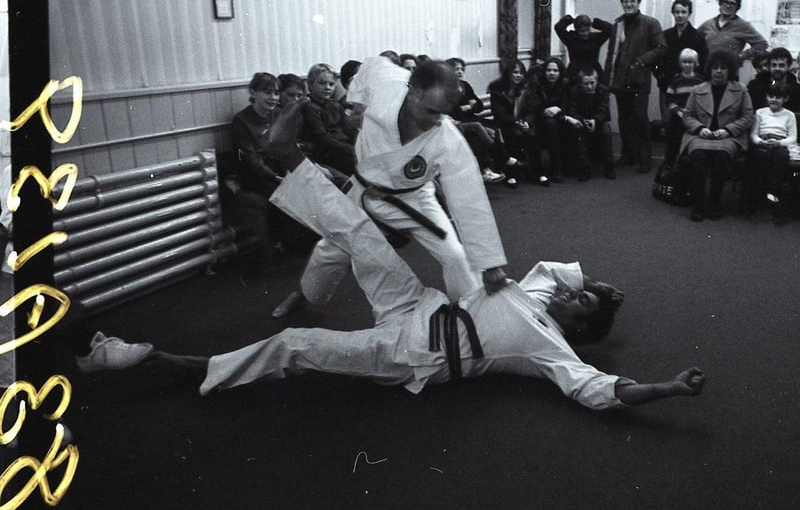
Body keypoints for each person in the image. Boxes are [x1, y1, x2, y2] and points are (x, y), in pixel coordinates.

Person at [76, 109, 706, 409]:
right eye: (576, 293)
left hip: (416, 354)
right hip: (420, 303)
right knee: (361, 234)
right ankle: (287, 158)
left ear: (577, 325)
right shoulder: (541, 293)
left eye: (580, 303)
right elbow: (562, 271)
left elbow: (603, 389)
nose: (571, 294)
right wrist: (597, 284)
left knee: (296, 343)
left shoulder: (553, 349)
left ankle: (160, 360)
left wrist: (666, 387)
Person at [271, 57, 509, 319]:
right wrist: (356, 105)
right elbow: (372, 64)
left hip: (415, 198)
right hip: (364, 190)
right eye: (431, 111)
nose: (437, 120)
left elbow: (469, 199)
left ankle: (473, 316)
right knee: (332, 249)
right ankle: (305, 295)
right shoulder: (387, 82)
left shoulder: (447, 139)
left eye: (443, 112)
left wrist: (490, 264)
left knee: (454, 255)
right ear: (413, 91)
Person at [225, 72, 290, 273]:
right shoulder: (241, 121)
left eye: (277, 93)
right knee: (287, 197)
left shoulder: (278, 114)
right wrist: (278, 178)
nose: (273, 98)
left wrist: (290, 170)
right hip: (255, 177)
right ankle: (270, 257)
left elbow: (286, 147)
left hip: (278, 172)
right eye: (267, 92)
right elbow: (250, 161)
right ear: (253, 92)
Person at [680, 50, 754, 222]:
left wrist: (728, 130)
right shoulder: (697, 89)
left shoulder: (741, 90)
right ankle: (698, 204)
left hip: (728, 137)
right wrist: (699, 128)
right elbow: (687, 115)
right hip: (701, 135)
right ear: (709, 69)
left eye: (723, 68)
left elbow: (748, 116)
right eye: (715, 67)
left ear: (730, 70)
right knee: (698, 157)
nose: (719, 71)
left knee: (721, 158)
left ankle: (714, 202)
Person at [603, 0, 667, 174]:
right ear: (622, 3)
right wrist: (608, 80)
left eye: (632, 1)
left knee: (640, 119)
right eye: (625, 1)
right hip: (620, 81)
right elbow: (611, 54)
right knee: (623, 119)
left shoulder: (650, 23)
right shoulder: (618, 24)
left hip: (639, 80)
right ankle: (627, 155)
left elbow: (662, 47)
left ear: (638, 2)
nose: (629, 4)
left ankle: (645, 160)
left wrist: (641, 61)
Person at [445, 56, 507, 184]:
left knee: (494, 129)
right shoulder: (446, 89)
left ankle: (496, 168)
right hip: (457, 123)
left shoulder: (465, 85)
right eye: (456, 69)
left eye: (462, 69)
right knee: (476, 133)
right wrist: (469, 106)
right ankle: (497, 163)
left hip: (470, 118)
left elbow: (479, 106)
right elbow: (452, 112)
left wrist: (469, 107)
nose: (460, 71)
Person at [745, 82, 800, 210]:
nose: (774, 99)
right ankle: (759, 191)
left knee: (781, 156)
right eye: (771, 96)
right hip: (763, 141)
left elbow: (793, 137)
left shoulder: (789, 115)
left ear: (785, 99)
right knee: (761, 155)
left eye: (778, 97)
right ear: (766, 97)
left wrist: (779, 143)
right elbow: (753, 134)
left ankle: (772, 190)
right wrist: (760, 141)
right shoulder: (760, 112)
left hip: (780, 142)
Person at [655, 0, 708, 127]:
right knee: (668, 122)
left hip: (690, 86)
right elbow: (656, 58)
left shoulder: (698, 37)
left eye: (683, 12)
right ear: (672, 13)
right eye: (677, 12)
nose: (680, 15)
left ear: (689, 14)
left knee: (689, 122)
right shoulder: (665, 35)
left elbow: (704, 62)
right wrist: (660, 77)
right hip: (667, 85)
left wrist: (696, 80)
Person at [299, 63, 358, 175]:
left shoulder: (336, 106)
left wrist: (362, 144)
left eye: (331, 84)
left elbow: (351, 131)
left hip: (345, 149)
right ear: (310, 85)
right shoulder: (308, 107)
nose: (327, 87)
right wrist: (352, 150)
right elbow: (323, 139)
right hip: (328, 152)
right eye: (322, 83)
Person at [519, 57, 570, 183]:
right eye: (549, 70)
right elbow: (533, 107)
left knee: (556, 125)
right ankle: (556, 169)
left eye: (555, 70)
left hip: (562, 119)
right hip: (541, 120)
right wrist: (528, 122)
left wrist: (558, 109)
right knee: (550, 124)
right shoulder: (538, 85)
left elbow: (569, 104)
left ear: (560, 72)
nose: (552, 73)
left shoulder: (565, 84)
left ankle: (564, 167)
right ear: (544, 72)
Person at [488, 59, 537, 188]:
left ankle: (538, 172)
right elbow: (499, 114)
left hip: (521, 123)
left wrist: (526, 122)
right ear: (508, 73)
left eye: (521, 73)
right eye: (515, 72)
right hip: (505, 124)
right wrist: (516, 122)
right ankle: (512, 173)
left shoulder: (526, 88)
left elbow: (531, 109)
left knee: (531, 134)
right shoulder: (497, 89)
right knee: (513, 134)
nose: (518, 76)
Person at [562, 67, 616, 181]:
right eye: (586, 83)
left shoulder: (603, 90)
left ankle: (609, 166)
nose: (590, 86)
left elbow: (603, 110)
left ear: (597, 81)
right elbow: (572, 110)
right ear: (580, 84)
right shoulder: (574, 91)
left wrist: (595, 120)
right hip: (581, 120)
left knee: (606, 130)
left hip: (598, 121)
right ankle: (584, 167)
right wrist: (582, 120)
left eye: (592, 83)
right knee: (578, 132)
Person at [697, 0, 768, 74]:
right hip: (708, 70)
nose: (728, 6)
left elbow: (762, 43)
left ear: (737, 7)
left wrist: (742, 55)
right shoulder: (708, 24)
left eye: (732, 3)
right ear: (720, 4)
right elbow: (694, 40)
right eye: (725, 2)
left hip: (730, 71)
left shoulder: (742, 25)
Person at [663, 48, 705, 166]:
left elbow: (702, 99)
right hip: (678, 117)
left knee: (691, 142)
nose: (687, 65)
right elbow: (669, 98)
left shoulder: (699, 80)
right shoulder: (675, 79)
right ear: (680, 63)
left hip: (694, 117)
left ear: (695, 63)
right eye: (684, 62)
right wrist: (678, 111)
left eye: (690, 62)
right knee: (673, 142)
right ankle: (669, 165)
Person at [554, 14, 613, 82]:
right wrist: (571, 19)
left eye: (588, 30)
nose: (586, 33)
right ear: (577, 30)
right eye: (582, 31)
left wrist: (594, 22)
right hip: (574, 73)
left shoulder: (595, 39)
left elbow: (611, 29)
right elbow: (558, 27)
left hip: (594, 72)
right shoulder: (571, 39)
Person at [746, 47, 800, 112]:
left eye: (781, 65)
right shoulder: (754, 86)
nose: (777, 68)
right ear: (769, 66)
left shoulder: (796, 90)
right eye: (774, 65)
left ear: (789, 66)